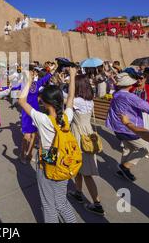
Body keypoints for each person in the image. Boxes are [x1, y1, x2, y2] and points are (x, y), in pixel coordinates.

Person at [18, 66, 78, 223]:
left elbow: (21, 100)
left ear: (44, 102)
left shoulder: (42, 119)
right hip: (65, 158)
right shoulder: (66, 117)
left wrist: (29, 80)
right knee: (61, 202)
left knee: (48, 204)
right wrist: (72, 76)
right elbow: (71, 97)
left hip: (48, 157)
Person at [106, 72, 149, 181]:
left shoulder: (116, 94)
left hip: (117, 127)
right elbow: (146, 107)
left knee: (128, 148)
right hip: (129, 128)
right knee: (145, 148)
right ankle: (124, 167)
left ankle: (122, 171)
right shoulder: (130, 96)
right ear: (130, 84)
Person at [67, 75, 104, 216]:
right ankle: (78, 191)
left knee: (87, 172)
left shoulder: (77, 101)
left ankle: (97, 204)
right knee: (79, 167)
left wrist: (70, 79)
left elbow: (67, 98)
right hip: (87, 133)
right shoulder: (89, 101)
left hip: (79, 135)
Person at [13, 65, 52, 164]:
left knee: (34, 135)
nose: (32, 74)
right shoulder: (22, 85)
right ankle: (22, 154)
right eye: (30, 72)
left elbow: (45, 78)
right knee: (27, 135)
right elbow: (11, 88)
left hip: (35, 111)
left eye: (33, 72)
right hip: (26, 112)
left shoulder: (36, 84)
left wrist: (53, 71)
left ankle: (29, 154)